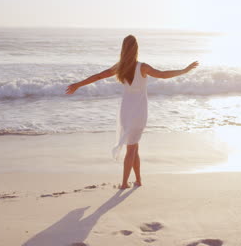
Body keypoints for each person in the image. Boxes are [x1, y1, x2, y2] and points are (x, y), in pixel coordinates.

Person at [66, 35, 198, 189]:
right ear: (136, 49)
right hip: (139, 112)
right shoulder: (142, 67)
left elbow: (99, 76)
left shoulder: (120, 67)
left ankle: (139, 180)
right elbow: (162, 75)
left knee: (134, 146)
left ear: (123, 49)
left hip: (125, 110)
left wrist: (78, 85)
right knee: (132, 148)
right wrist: (184, 70)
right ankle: (123, 183)